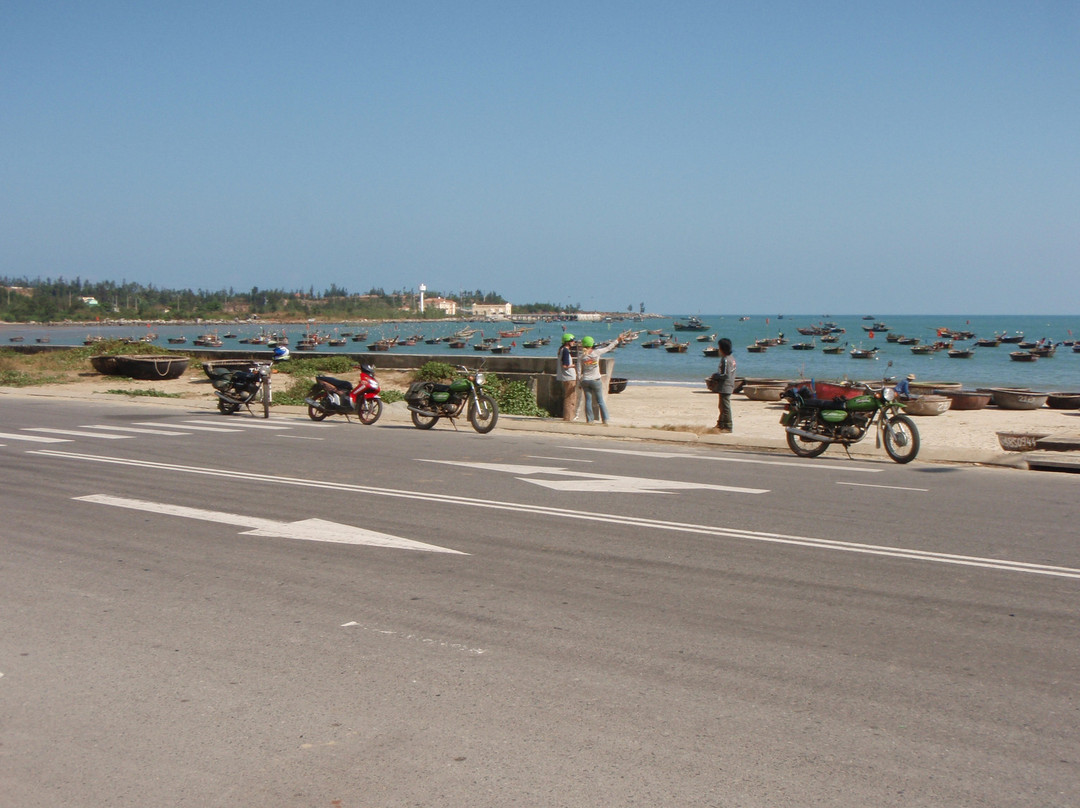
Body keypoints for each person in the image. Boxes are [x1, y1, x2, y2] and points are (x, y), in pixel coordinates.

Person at [577, 336, 616, 425]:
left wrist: (579, 382)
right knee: (600, 400)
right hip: (595, 379)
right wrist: (618, 339)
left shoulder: (581, 356)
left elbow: (579, 372)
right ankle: (605, 420)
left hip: (585, 380)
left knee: (588, 400)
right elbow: (608, 348)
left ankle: (590, 420)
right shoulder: (596, 353)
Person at [714, 337, 736, 432]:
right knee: (722, 406)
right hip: (729, 385)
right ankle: (721, 424)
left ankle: (727, 426)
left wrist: (716, 376)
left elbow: (725, 374)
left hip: (725, 386)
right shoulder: (732, 358)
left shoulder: (726, 360)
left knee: (725, 407)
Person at [556, 333, 578, 421]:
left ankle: (569, 417)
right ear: (567, 342)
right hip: (569, 377)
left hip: (566, 377)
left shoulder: (562, 350)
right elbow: (565, 365)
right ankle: (568, 417)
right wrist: (573, 366)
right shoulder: (565, 351)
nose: (573, 342)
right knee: (570, 398)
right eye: (572, 341)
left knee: (570, 397)